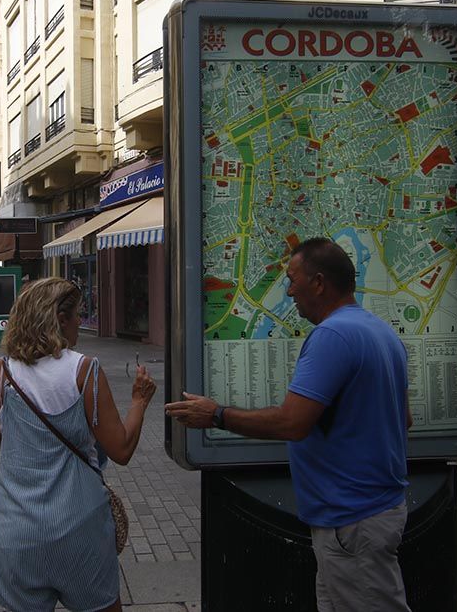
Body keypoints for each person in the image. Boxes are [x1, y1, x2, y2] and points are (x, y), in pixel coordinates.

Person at [165, 237, 413, 612]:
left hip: (353, 519)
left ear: (318, 282)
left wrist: (216, 415)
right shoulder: (380, 332)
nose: (288, 289)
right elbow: (403, 419)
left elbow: (293, 423)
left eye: (292, 279)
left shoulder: (332, 336)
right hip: (365, 514)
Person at [0, 277, 157, 612]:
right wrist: (139, 402)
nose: (80, 321)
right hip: (80, 533)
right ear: (59, 320)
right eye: (77, 314)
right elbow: (121, 450)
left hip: (17, 536)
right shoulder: (84, 371)